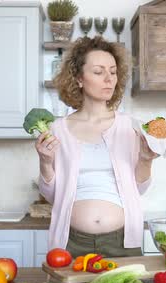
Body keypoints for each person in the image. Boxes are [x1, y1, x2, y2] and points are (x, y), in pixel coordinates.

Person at [35, 36, 159, 258]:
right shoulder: (57, 129)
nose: (109, 79)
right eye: (99, 72)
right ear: (79, 78)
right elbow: (52, 194)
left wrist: (146, 160)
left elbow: (138, 189)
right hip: (71, 242)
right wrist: (45, 162)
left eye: (112, 72)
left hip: (122, 242)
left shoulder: (130, 126)